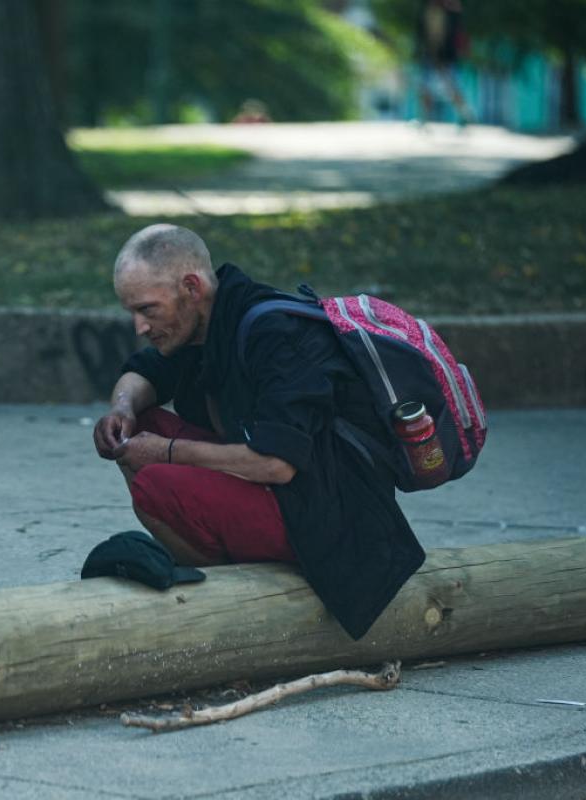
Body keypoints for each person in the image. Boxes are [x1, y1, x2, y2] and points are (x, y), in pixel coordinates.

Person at [93, 224, 425, 640]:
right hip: (283, 490)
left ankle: (226, 604)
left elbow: (277, 462)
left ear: (191, 287)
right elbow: (145, 371)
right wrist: (121, 409)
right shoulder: (202, 321)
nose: (140, 326)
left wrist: (168, 452)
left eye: (147, 310)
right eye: (132, 313)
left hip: (331, 517)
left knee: (156, 484)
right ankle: (215, 560)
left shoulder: (273, 335)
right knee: (137, 430)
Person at [413, 0, 474, 126]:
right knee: (425, 88)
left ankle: (465, 115)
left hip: (447, 57)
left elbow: (457, 33)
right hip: (429, 56)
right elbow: (421, 35)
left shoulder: (452, 13)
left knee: (452, 88)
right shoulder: (426, 12)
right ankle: (424, 119)